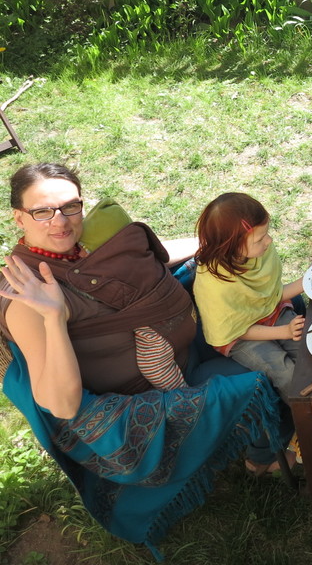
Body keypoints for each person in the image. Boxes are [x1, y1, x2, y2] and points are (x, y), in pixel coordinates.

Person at [0, 163, 282, 557]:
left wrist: (214, 243)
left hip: (185, 349)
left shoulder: (88, 240)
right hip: (148, 394)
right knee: (262, 377)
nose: (60, 222)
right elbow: (61, 403)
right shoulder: (25, 296)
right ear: (18, 217)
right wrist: (52, 316)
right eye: (42, 211)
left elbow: (152, 256)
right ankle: (264, 456)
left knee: (281, 309)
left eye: (70, 206)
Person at [193, 192, 306, 394]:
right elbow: (234, 330)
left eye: (267, 233)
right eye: (261, 238)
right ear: (231, 245)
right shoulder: (215, 285)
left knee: (311, 353)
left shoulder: (258, 253)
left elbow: (269, 297)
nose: (269, 241)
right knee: (288, 376)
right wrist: (284, 332)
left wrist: (311, 280)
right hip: (240, 336)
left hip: (272, 313)